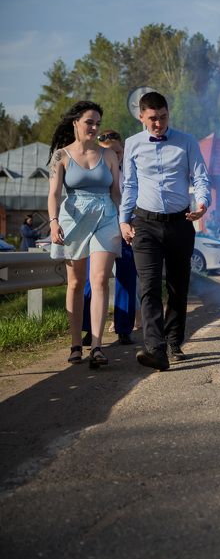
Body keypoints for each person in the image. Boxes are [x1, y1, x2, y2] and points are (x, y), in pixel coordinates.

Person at [120, 91, 211, 371]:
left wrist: (202, 204)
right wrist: (124, 219)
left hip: (180, 222)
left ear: (168, 114)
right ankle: (155, 348)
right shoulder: (132, 144)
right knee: (148, 287)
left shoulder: (187, 141)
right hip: (145, 224)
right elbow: (130, 185)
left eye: (163, 117)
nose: (158, 123)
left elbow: (201, 177)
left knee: (177, 286)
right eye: (152, 119)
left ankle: (173, 341)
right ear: (141, 117)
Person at [46, 101, 121, 368]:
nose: (94, 127)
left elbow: (116, 193)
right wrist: (53, 222)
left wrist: (124, 220)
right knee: (76, 283)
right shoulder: (61, 156)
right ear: (76, 123)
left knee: (99, 279)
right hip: (73, 220)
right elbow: (54, 194)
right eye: (89, 122)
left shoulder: (109, 155)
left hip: (106, 217)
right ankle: (76, 343)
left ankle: (97, 346)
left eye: (98, 123)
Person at [81, 130, 140, 346]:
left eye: (118, 151)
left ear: (123, 150)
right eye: (110, 152)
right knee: (94, 279)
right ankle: (90, 329)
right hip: (100, 228)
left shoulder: (134, 172)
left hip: (126, 228)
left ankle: (124, 329)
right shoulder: (96, 172)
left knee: (126, 278)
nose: (115, 155)